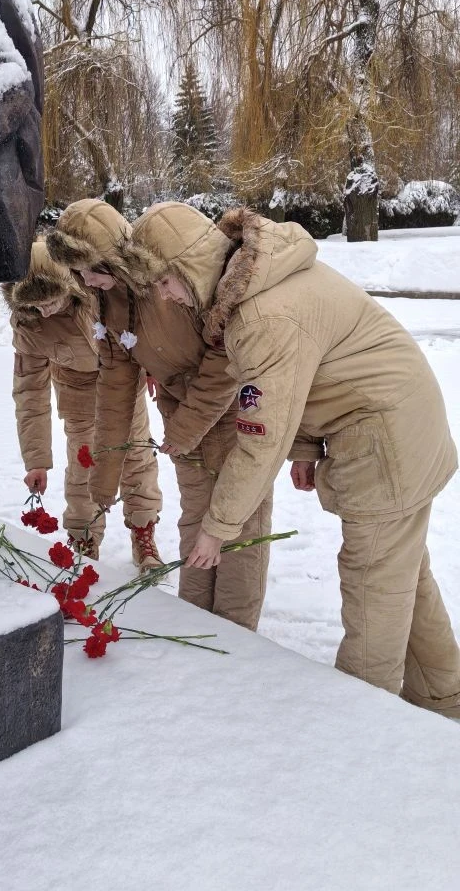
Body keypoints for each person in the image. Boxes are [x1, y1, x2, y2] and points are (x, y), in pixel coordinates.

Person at [123, 200, 460, 716]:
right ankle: (442, 694)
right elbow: (303, 375)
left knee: (372, 585)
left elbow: (260, 440)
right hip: (397, 422)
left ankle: (366, 722)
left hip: (385, 441)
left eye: (165, 282)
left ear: (190, 266)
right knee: (401, 570)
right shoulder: (261, 279)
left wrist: (218, 527)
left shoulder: (261, 317)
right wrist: (305, 448)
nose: (164, 297)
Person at [46, 199, 273, 630]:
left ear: (114, 258)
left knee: (237, 525)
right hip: (180, 414)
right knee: (195, 518)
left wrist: (188, 426)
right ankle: (195, 618)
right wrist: (105, 475)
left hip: (229, 409)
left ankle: (235, 635)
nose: (84, 281)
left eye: (90, 268)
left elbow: (226, 354)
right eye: (77, 272)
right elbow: (116, 387)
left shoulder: (170, 281)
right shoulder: (107, 302)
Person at [4, 238, 164, 571]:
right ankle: (83, 539)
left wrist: (153, 365)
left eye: (51, 301)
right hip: (78, 395)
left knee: (136, 458)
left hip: (123, 383)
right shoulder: (29, 326)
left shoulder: (96, 289)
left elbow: (142, 321)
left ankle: (143, 532)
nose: (46, 311)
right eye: (37, 306)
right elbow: (30, 393)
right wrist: (36, 460)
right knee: (85, 467)